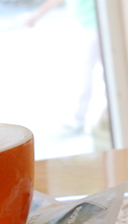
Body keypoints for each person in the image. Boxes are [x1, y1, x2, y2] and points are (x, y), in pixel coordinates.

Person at [26, 0, 104, 134]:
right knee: (95, 72)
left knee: (95, 73)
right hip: (92, 26)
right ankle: (82, 117)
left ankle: (81, 117)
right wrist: (37, 15)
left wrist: (37, 15)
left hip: (96, 27)